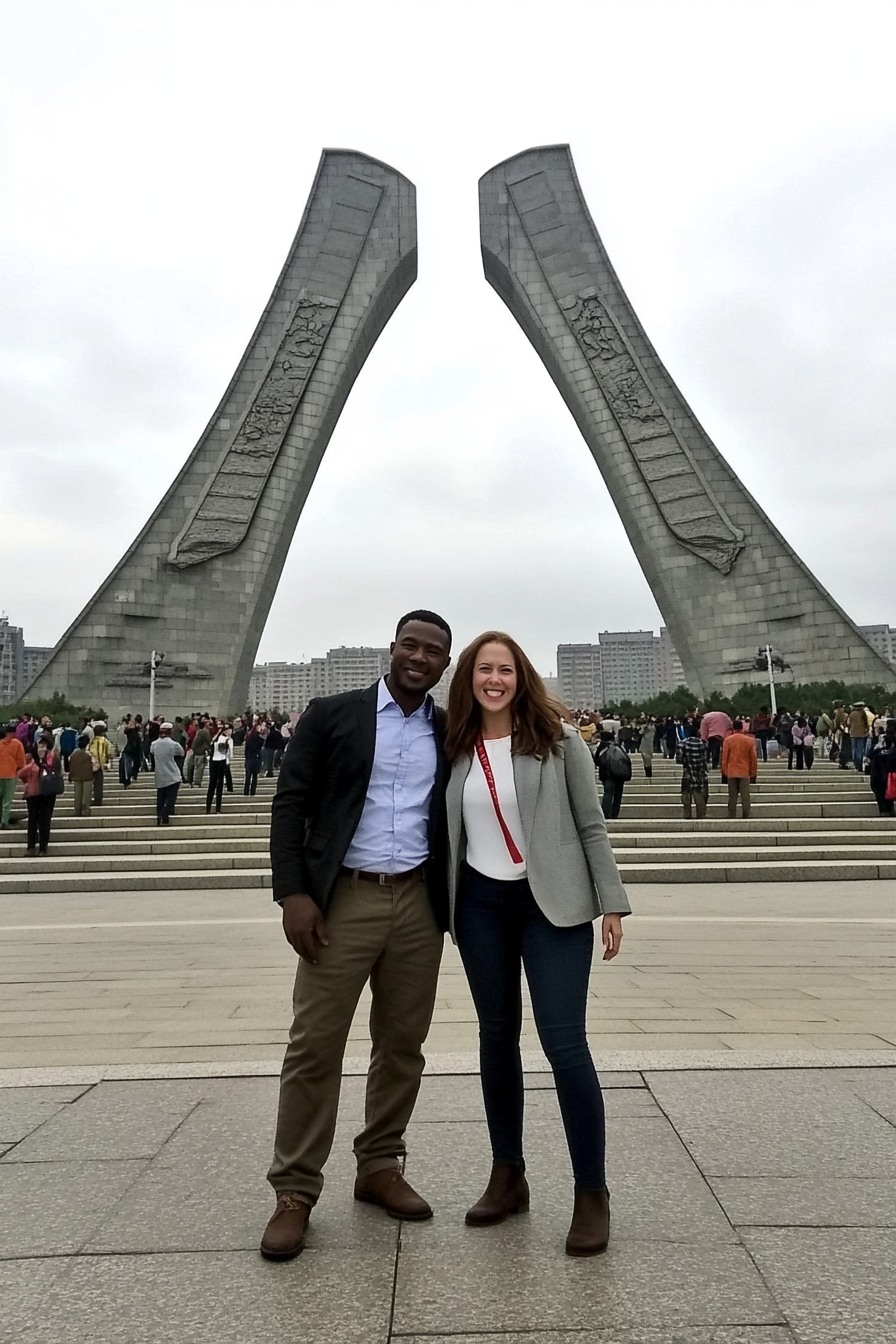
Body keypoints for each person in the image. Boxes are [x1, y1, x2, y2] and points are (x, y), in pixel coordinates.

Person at [261, 611, 453, 1261]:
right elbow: (291, 802)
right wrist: (294, 894)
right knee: (315, 1043)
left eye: (433, 651)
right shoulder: (334, 712)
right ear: (391, 649)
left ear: (444, 666)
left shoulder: (447, 728)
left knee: (403, 1044)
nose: (419, 657)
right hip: (342, 899)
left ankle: (380, 1165)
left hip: (418, 905)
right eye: (410, 644)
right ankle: (294, 1190)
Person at [444, 631, 629, 1257]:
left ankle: (591, 1193)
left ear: (521, 677)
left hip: (553, 907)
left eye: (506, 670)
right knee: (496, 1037)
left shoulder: (559, 741)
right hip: (480, 907)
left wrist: (612, 902)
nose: (494, 680)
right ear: (468, 677)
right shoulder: (455, 745)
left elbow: (590, 822)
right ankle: (508, 1174)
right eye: (483, 670)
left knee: (564, 1043)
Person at [17, 737, 62, 855]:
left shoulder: (49, 760)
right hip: (37, 793)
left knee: (43, 820)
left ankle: (41, 848)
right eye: (39, 746)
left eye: (43, 746)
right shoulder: (33, 761)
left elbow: (57, 773)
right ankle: (34, 847)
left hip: (45, 793)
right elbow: (21, 773)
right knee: (34, 820)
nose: (41, 748)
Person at [721, 720, 757, 819]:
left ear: (733, 728)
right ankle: (746, 814)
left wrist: (724, 771)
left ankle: (731, 814)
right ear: (742, 728)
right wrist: (753, 772)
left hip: (731, 770)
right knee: (745, 795)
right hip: (744, 771)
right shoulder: (749, 740)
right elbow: (753, 758)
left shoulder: (728, 740)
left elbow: (724, 758)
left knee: (732, 796)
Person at [151, 722, 184, 825]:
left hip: (160, 775)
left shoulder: (154, 744)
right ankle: (164, 814)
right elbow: (181, 752)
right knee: (170, 798)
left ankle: (160, 818)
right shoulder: (173, 744)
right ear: (170, 732)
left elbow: (152, 753)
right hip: (172, 774)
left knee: (160, 798)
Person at [595, 731, 630, 819]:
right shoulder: (618, 746)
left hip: (607, 775)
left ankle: (606, 814)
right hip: (620, 774)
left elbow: (597, 761)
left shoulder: (602, 746)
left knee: (608, 793)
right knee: (618, 794)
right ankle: (615, 813)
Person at [678, 720, 709, 818]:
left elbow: (679, 759)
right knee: (700, 793)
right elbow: (705, 759)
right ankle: (701, 814)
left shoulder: (682, 743)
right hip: (700, 772)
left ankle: (687, 813)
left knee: (686, 793)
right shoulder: (703, 743)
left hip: (688, 771)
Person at [0, 723, 26, 829]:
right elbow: (21, 762)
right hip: (10, 775)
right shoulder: (17, 743)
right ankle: (4, 822)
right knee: (7, 800)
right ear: (14, 732)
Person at [206, 723, 234, 813]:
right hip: (222, 761)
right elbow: (231, 754)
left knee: (212, 785)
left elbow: (210, 745)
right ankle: (218, 808)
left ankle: (208, 808)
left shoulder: (215, 738)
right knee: (219, 785)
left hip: (213, 761)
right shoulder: (228, 739)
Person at [868, 728, 896, 817]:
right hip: (890, 773)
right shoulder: (892, 749)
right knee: (889, 792)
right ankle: (888, 809)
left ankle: (883, 810)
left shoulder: (877, 749)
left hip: (878, 774)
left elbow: (870, 756)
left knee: (880, 792)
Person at [68, 735, 95, 818]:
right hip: (87, 776)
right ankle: (85, 810)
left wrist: (70, 775)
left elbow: (71, 765)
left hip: (76, 776)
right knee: (86, 795)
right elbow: (94, 764)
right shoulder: (89, 754)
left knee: (78, 794)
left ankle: (77, 810)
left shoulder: (73, 754)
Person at [88, 721, 113, 806]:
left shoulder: (91, 741)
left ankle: (90, 799)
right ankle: (98, 799)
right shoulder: (105, 741)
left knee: (90, 784)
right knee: (99, 784)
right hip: (100, 766)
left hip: (91, 765)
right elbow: (110, 753)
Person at [188, 718, 212, 789]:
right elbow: (209, 741)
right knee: (199, 767)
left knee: (196, 766)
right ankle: (197, 781)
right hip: (200, 752)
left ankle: (195, 780)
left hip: (197, 751)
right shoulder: (204, 732)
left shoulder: (199, 732)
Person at [847, 703, 870, 772]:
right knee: (860, 750)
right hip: (861, 734)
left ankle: (856, 764)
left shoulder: (852, 714)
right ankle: (859, 765)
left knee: (854, 749)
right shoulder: (863, 714)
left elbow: (848, 723)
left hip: (853, 734)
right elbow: (866, 724)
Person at [243, 723, 264, 796]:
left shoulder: (257, 739)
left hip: (254, 758)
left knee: (252, 776)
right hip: (252, 758)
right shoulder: (253, 738)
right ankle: (249, 792)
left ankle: (249, 792)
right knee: (250, 776)